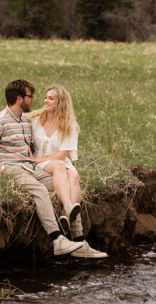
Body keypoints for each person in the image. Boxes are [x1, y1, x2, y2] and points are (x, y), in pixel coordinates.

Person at [0, 78, 106, 260]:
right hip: (12, 169)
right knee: (40, 190)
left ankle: (79, 240)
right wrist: (1, 168)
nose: (34, 100)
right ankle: (57, 239)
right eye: (31, 96)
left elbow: (30, 148)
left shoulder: (25, 121)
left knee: (66, 185)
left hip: (29, 168)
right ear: (20, 98)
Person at [31, 84, 107, 258]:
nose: (45, 101)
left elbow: (64, 154)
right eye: (45, 97)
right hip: (40, 163)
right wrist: (35, 159)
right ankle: (68, 210)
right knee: (60, 168)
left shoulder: (69, 124)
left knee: (74, 175)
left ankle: (78, 239)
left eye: (51, 98)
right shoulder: (35, 119)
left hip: (60, 160)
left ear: (61, 103)